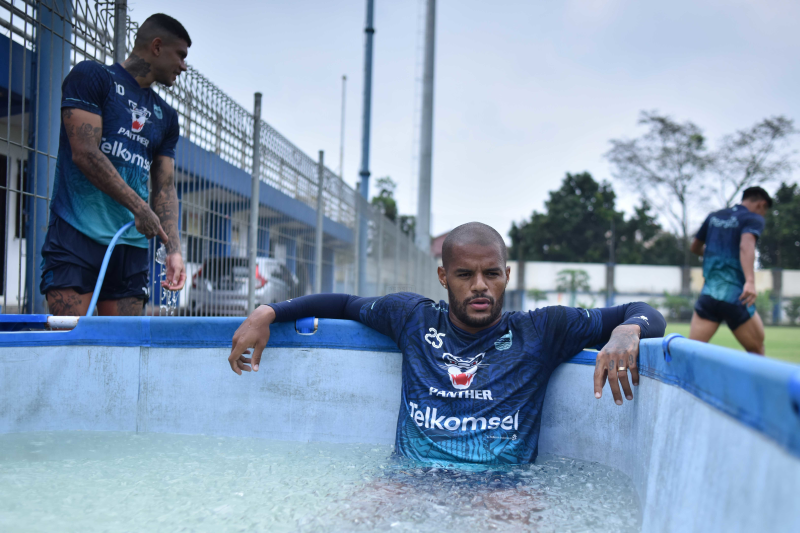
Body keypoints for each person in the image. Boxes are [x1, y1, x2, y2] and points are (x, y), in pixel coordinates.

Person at [228, 222, 666, 465]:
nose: (480, 286)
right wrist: (269, 312)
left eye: (491, 274)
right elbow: (343, 302)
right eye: (465, 274)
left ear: (506, 276)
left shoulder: (541, 329)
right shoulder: (413, 317)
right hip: (409, 480)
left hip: (501, 490)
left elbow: (644, 311)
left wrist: (628, 331)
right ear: (443, 277)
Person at [40, 14, 190, 316]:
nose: (184, 66)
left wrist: (173, 249)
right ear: (157, 46)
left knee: (124, 350)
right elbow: (85, 153)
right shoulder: (93, 78)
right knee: (70, 342)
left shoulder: (166, 116)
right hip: (75, 234)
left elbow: (164, 186)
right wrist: (139, 208)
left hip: (129, 245)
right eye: (181, 55)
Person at [689, 187, 772, 355]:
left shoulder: (714, 217)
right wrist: (750, 281)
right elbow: (746, 245)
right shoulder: (752, 218)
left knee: (690, 353)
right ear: (761, 205)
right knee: (756, 349)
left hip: (709, 296)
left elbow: (695, 247)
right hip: (735, 297)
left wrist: (715, 254)